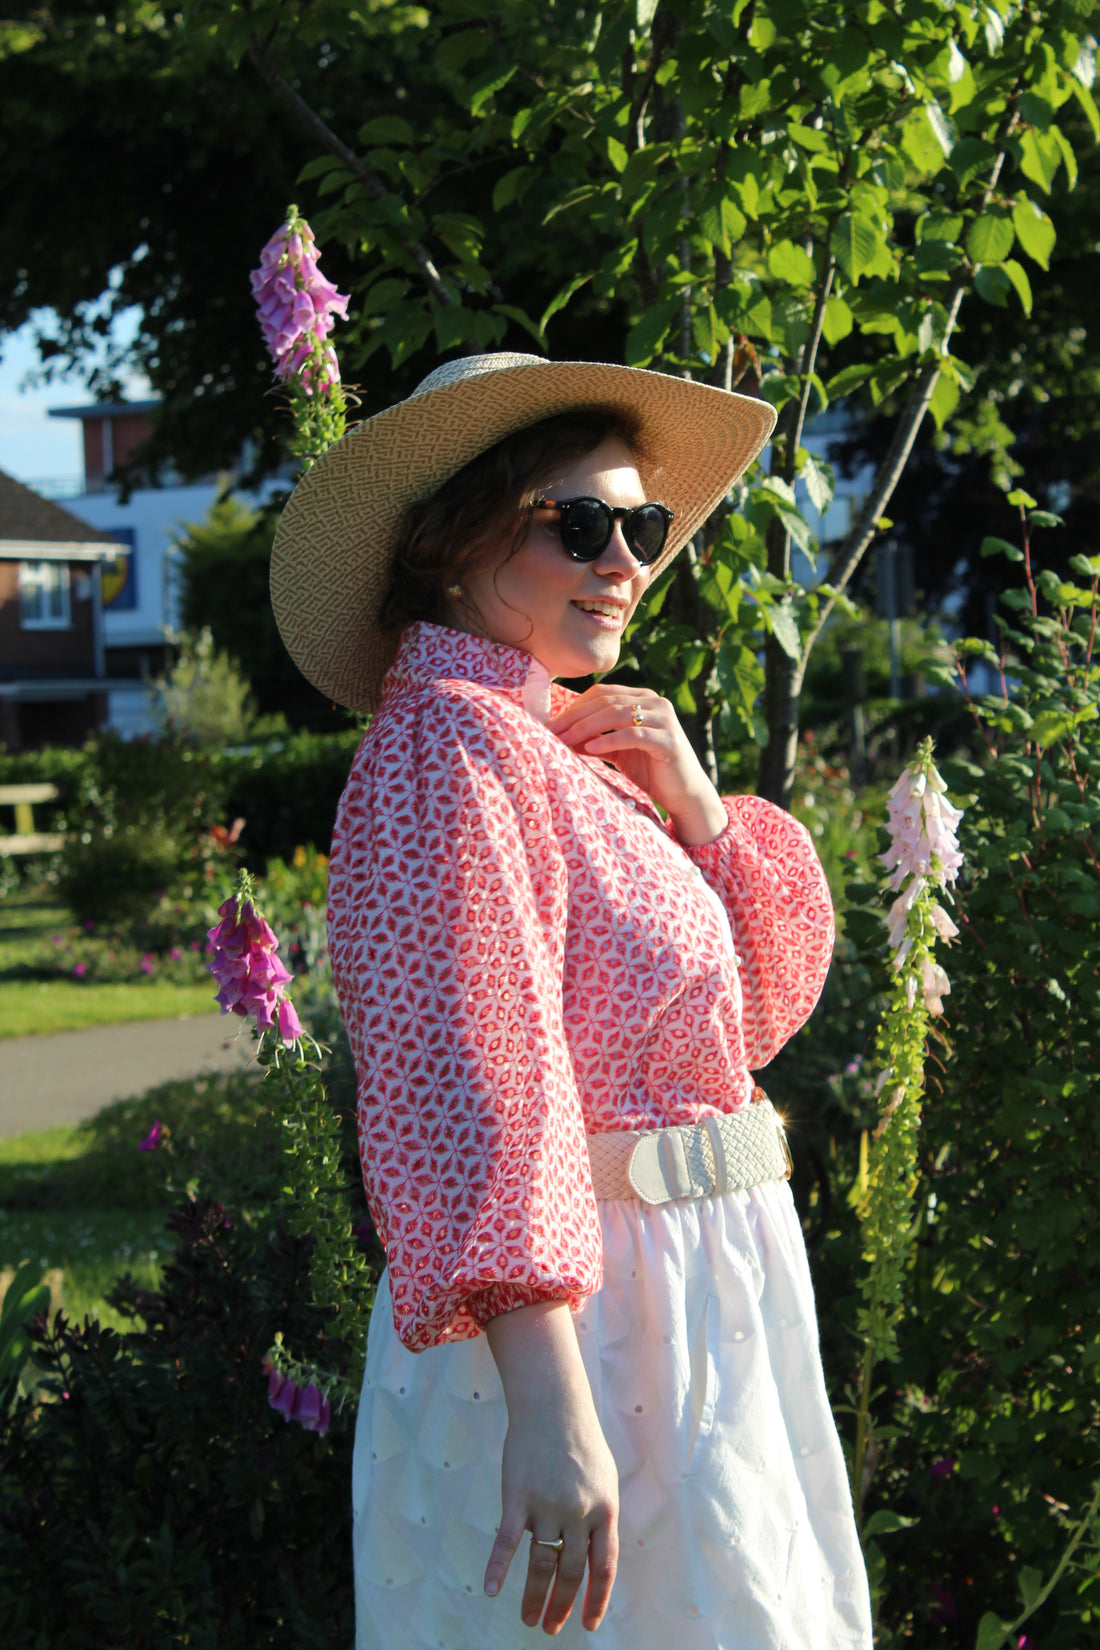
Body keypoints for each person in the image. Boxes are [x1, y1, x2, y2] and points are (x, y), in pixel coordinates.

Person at [270, 351, 873, 1649]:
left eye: (641, 526)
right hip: (590, 1345)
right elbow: (469, 1072)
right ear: (450, 538)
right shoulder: (447, 745)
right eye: (582, 523)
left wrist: (699, 809)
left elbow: (744, 1026)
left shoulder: (551, 753)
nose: (626, 562)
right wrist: (548, 1410)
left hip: (684, 1315)